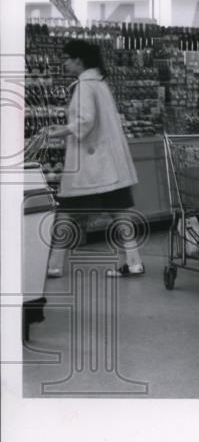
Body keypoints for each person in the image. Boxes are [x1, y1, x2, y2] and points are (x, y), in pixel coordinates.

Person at [44, 40, 143, 279]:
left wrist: (60, 131)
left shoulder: (85, 85)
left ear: (79, 60)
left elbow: (86, 120)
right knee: (120, 213)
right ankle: (134, 262)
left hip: (91, 167)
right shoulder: (99, 82)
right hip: (109, 165)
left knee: (66, 213)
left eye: (67, 58)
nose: (65, 62)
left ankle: (54, 265)